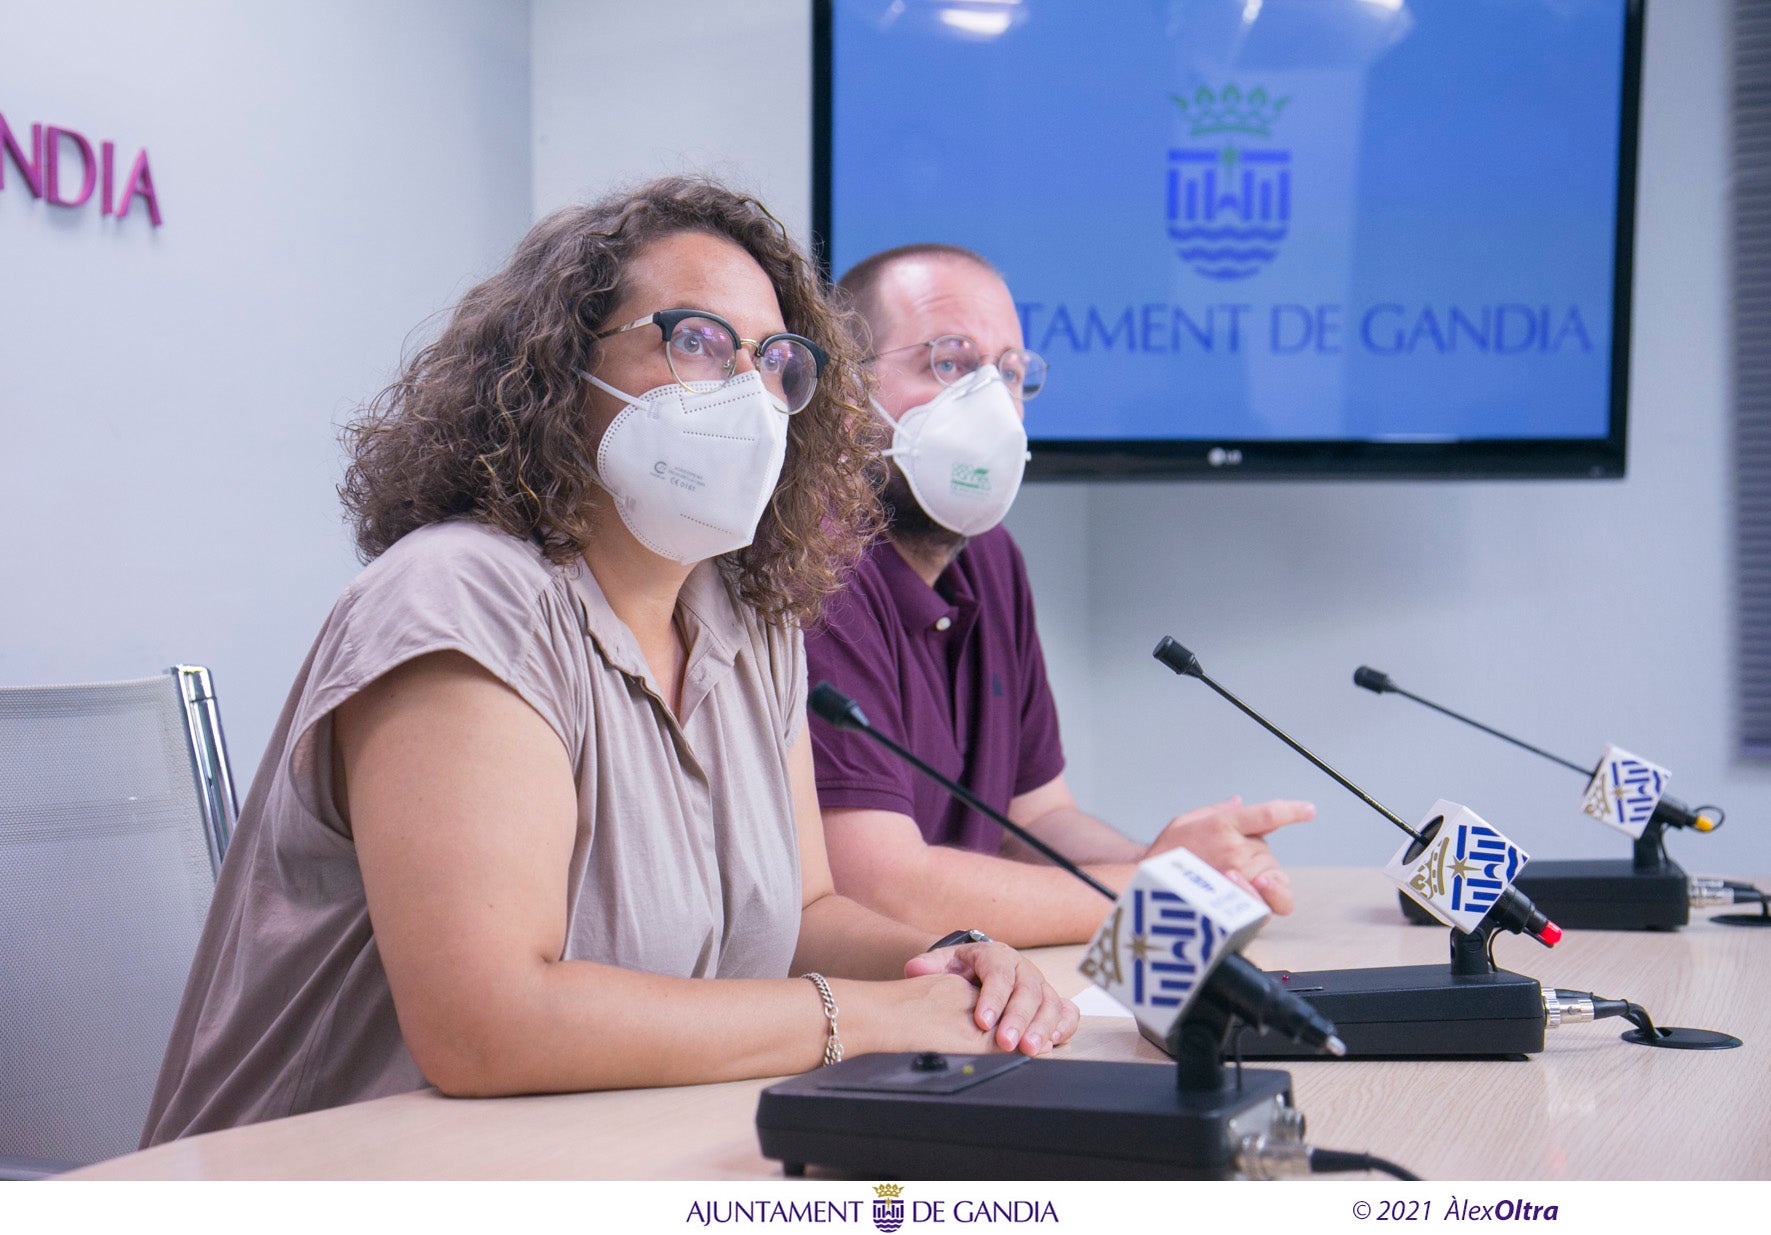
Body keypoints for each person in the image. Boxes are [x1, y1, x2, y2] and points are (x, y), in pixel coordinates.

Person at [141, 183, 1075, 1146]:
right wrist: (866, 1016)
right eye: (701, 341)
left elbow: (804, 913)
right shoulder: (460, 597)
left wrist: (946, 960)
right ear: (557, 365)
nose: (749, 394)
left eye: (774, 363)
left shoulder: (749, 622)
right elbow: (489, 1022)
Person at [805, 243, 1315, 948]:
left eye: (1010, 373)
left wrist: (1170, 868)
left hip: (971, 999)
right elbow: (882, 888)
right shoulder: (814, 562)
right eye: (948, 363)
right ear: (842, 394)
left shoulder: (989, 558)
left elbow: (1035, 820)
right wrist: (1156, 893)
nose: (989, 400)